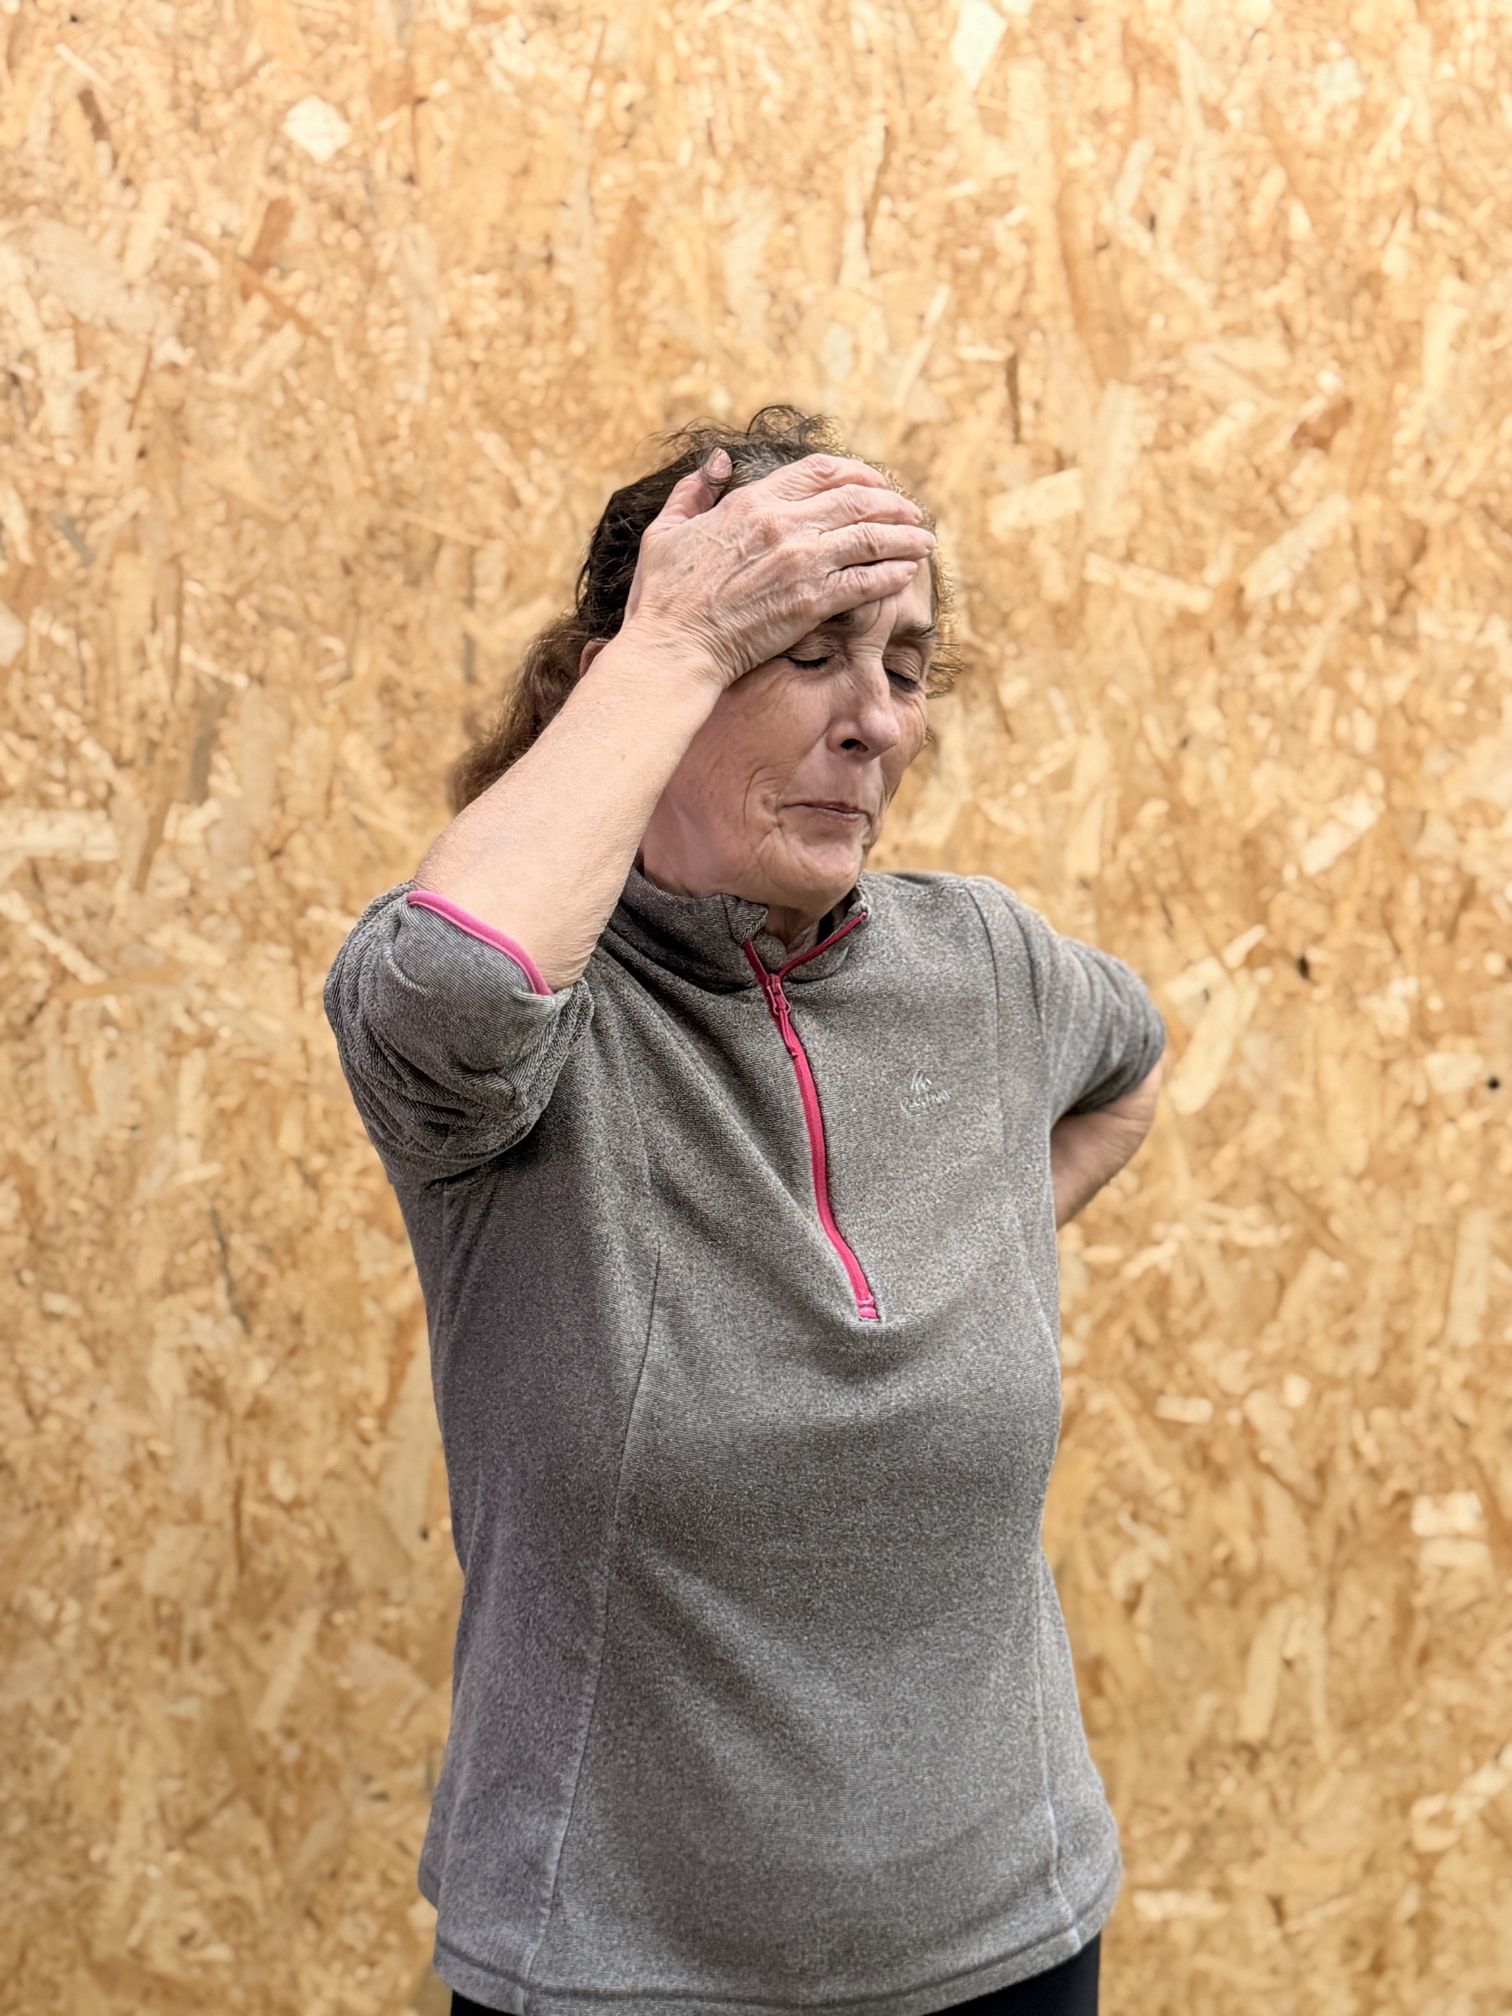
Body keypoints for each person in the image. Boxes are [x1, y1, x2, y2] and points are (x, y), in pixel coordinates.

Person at [323, 405, 1166, 2016]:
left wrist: (982, 1245)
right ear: (619, 685)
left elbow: (1129, 1068)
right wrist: (671, 638)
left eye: (904, 667)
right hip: (619, 1969)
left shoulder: (983, 968)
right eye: (801, 647)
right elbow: (456, 981)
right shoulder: (526, 1032)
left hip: (1010, 1932)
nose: (877, 723)